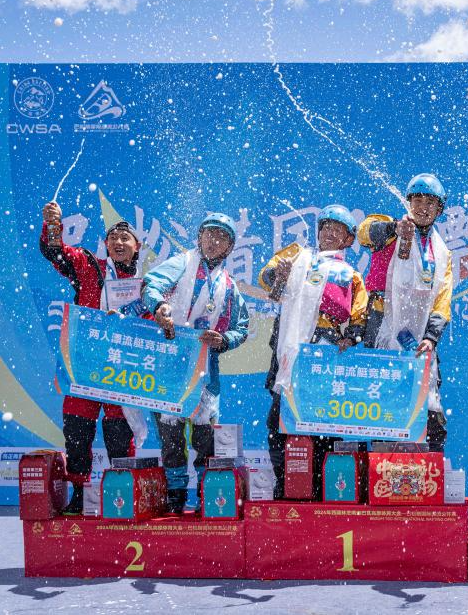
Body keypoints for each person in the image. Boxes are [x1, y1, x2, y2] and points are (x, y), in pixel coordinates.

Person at [39, 200, 148, 515]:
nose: (118, 242)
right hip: (84, 368)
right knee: (77, 433)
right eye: (113, 238)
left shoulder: (147, 285)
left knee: (118, 436)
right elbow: (55, 252)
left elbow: (152, 323)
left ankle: (121, 494)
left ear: (137, 247)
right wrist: (53, 226)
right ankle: (78, 493)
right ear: (106, 245)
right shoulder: (89, 266)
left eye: (125, 238)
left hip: (121, 371)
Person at [142, 213, 250, 514]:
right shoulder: (182, 263)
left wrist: (224, 340)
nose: (214, 241)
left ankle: (207, 495)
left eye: (222, 237)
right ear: (199, 237)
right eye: (209, 234)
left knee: (206, 439)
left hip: (205, 369)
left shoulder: (228, 285)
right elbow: (151, 284)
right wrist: (160, 307)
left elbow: (242, 327)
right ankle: (175, 497)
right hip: (170, 363)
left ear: (229, 247)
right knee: (171, 436)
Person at [258, 204, 368, 498]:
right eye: (325, 228)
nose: (329, 233)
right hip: (292, 351)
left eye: (337, 229)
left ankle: (320, 486)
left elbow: (360, 317)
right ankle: (285, 483)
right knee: (279, 421)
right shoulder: (298, 257)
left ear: (348, 239)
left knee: (323, 422)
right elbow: (266, 277)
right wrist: (279, 274)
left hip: (325, 353)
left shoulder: (351, 275)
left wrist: (351, 339)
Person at [357, 174, 452, 452]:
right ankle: (383, 466)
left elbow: (442, 300)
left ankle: (426, 466)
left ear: (439, 210)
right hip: (384, 328)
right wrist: (394, 229)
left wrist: (431, 338)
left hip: (420, 337)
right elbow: (364, 232)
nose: (423, 207)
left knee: (428, 407)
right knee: (384, 401)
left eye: (430, 203)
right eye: (417, 201)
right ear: (409, 202)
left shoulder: (443, 253)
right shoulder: (392, 230)